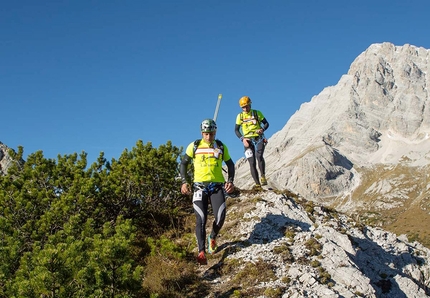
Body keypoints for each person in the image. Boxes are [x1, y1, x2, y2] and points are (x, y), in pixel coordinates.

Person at [180, 119, 235, 265]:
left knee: (220, 216)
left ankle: (213, 236)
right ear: (201, 133)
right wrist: (184, 182)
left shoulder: (221, 146)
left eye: (211, 134)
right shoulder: (195, 146)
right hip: (199, 187)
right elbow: (184, 164)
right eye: (205, 134)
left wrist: (230, 181)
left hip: (217, 186)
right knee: (201, 219)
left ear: (215, 132)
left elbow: (230, 164)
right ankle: (201, 251)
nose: (208, 137)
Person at [234, 96, 269, 189]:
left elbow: (266, 123)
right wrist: (243, 139)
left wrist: (262, 129)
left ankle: (263, 176)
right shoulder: (240, 116)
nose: (245, 109)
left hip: (258, 138)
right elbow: (236, 130)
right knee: (251, 162)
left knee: (259, 156)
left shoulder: (257, 113)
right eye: (243, 107)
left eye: (247, 106)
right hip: (247, 140)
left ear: (250, 104)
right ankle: (257, 184)